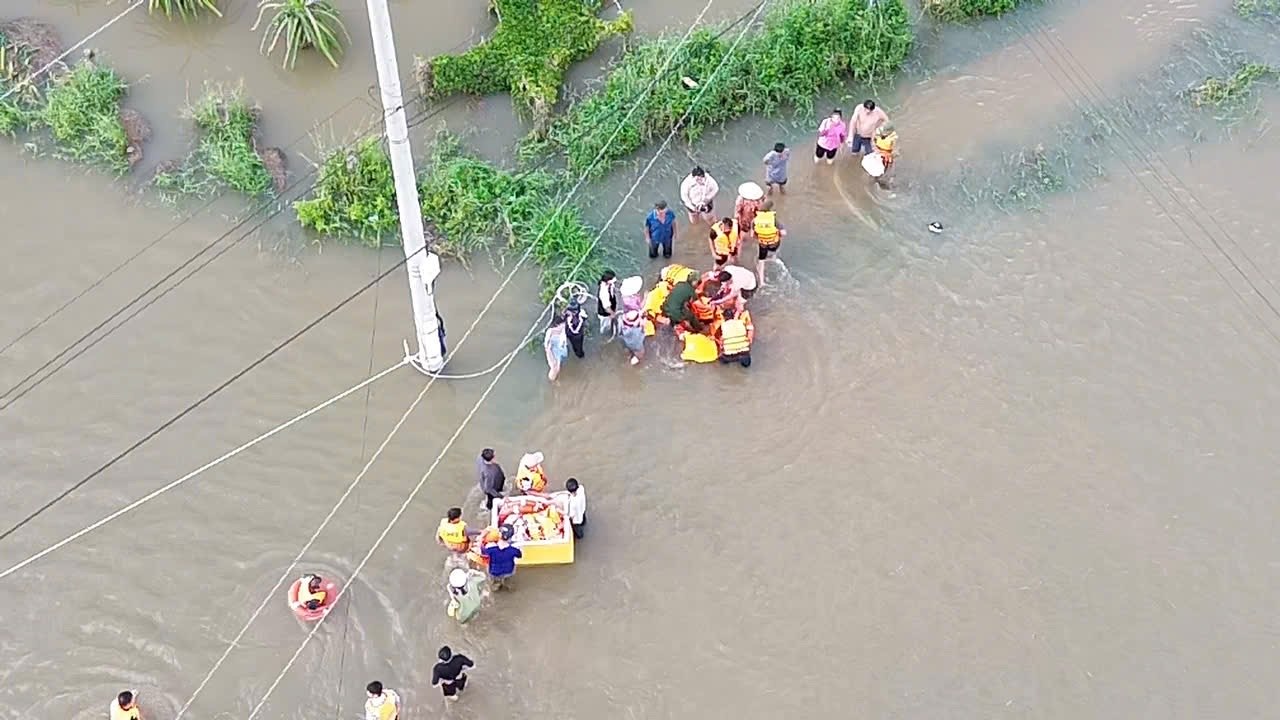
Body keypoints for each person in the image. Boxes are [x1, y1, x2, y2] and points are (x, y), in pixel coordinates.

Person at [752, 200, 787, 287]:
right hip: (774, 244)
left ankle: (761, 281)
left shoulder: (755, 220)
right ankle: (773, 258)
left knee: (761, 261)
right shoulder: (773, 220)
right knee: (775, 247)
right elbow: (783, 233)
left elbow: (752, 235)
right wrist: (777, 234)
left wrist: (760, 237)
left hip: (763, 244)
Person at [482, 524, 523, 590]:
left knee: (494, 582)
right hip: (509, 571)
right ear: (510, 537)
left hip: (494, 571)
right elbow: (519, 555)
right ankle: (509, 586)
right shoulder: (513, 549)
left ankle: (496, 586)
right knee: (509, 581)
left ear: (499, 535)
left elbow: (483, 553)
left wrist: (483, 536)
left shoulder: (489, 548)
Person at [544, 316, 568, 382]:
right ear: (558, 325)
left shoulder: (563, 331)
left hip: (561, 348)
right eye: (563, 325)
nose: (564, 326)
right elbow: (546, 343)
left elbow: (564, 340)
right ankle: (552, 380)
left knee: (558, 366)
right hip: (552, 350)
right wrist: (548, 350)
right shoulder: (550, 331)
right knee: (554, 366)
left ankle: (557, 378)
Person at [596, 270, 620, 335]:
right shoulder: (603, 292)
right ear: (607, 280)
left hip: (611, 304)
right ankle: (604, 334)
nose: (615, 280)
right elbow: (607, 308)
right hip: (605, 314)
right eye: (612, 279)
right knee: (605, 325)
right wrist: (613, 314)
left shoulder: (610, 284)